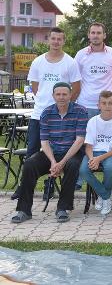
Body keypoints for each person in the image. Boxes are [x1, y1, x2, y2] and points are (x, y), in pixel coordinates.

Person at [11, 82, 88, 223]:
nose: (61, 97)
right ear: (53, 96)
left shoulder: (80, 111)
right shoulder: (46, 113)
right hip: (52, 152)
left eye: (64, 94)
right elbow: (44, 142)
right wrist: (53, 162)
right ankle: (24, 210)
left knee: (72, 165)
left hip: (72, 152)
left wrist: (62, 162)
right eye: (58, 94)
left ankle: (63, 208)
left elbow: (79, 140)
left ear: (70, 95)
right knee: (29, 164)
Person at [25, 27, 81, 158]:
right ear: (48, 40)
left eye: (59, 39)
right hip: (39, 114)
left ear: (64, 41)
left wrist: (63, 106)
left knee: (60, 153)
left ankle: (54, 172)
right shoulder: (37, 61)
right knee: (32, 152)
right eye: (53, 38)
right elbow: (35, 88)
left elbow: (76, 88)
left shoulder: (70, 62)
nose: (56, 42)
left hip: (61, 116)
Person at [78, 90, 112, 216]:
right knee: (83, 170)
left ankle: (103, 197)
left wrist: (98, 159)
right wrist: (92, 159)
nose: (107, 106)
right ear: (98, 105)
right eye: (104, 103)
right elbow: (88, 146)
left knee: (110, 167)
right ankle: (106, 195)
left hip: (110, 153)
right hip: (93, 152)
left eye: (110, 103)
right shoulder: (93, 121)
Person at [74, 22, 112, 118]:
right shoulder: (80, 54)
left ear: (104, 35)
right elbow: (75, 79)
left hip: (107, 104)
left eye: (99, 33)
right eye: (93, 33)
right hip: (85, 104)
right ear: (89, 35)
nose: (95, 36)